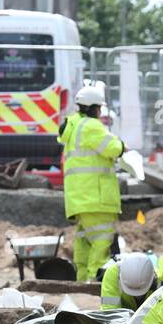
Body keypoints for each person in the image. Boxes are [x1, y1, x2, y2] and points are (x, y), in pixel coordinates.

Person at [59, 83, 126, 282]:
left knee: (84, 243)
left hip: (79, 199)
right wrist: (123, 147)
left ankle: (82, 283)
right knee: (101, 242)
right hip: (96, 197)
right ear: (95, 108)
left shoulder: (73, 126)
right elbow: (112, 148)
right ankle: (96, 284)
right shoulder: (91, 125)